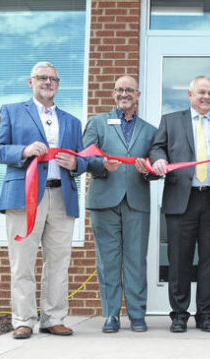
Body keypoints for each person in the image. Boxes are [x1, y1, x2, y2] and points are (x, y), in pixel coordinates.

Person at [0, 61, 88, 339]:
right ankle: (23, 320)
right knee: (22, 261)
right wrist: (24, 150)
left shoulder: (72, 120)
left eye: (53, 78)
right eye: (42, 77)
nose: (48, 82)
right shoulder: (11, 112)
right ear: (30, 82)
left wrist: (75, 164)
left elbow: (83, 160)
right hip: (25, 196)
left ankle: (53, 318)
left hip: (62, 196)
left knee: (58, 262)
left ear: (58, 84)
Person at [150, 75, 210, 333]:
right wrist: (158, 160)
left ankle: (205, 314)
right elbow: (157, 148)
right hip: (182, 200)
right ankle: (179, 315)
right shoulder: (171, 121)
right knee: (179, 261)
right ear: (190, 95)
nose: (206, 97)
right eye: (201, 92)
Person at [83, 76, 157, 333]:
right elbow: (84, 157)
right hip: (104, 200)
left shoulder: (150, 130)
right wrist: (100, 166)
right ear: (114, 94)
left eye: (129, 90)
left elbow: (155, 165)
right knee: (108, 260)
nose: (124, 94)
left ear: (137, 95)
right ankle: (111, 315)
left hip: (137, 200)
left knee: (136, 259)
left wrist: (148, 171)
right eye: (119, 90)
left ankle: (137, 314)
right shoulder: (97, 123)